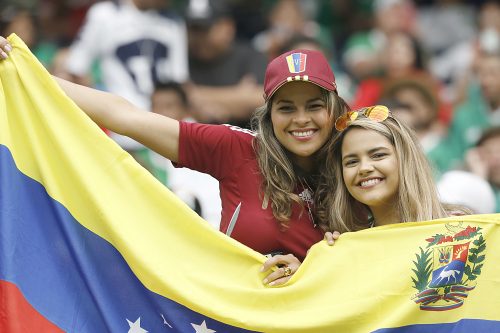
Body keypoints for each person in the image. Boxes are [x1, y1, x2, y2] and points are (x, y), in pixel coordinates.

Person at [0, 38, 348, 286]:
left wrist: (310, 270)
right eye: (286, 108)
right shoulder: (238, 148)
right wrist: (25, 70)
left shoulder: (356, 162)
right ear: (269, 114)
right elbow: (126, 117)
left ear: (334, 108)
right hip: (235, 319)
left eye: (314, 106)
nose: (301, 119)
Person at [315, 105, 469, 232]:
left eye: (378, 155)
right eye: (352, 161)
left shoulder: (458, 229)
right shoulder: (346, 246)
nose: (364, 168)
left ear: (406, 159)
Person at [63, 0, 189, 151]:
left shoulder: (173, 21)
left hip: (161, 129)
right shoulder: (105, 14)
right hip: (118, 130)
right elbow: (77, 67)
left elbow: (179, 80)